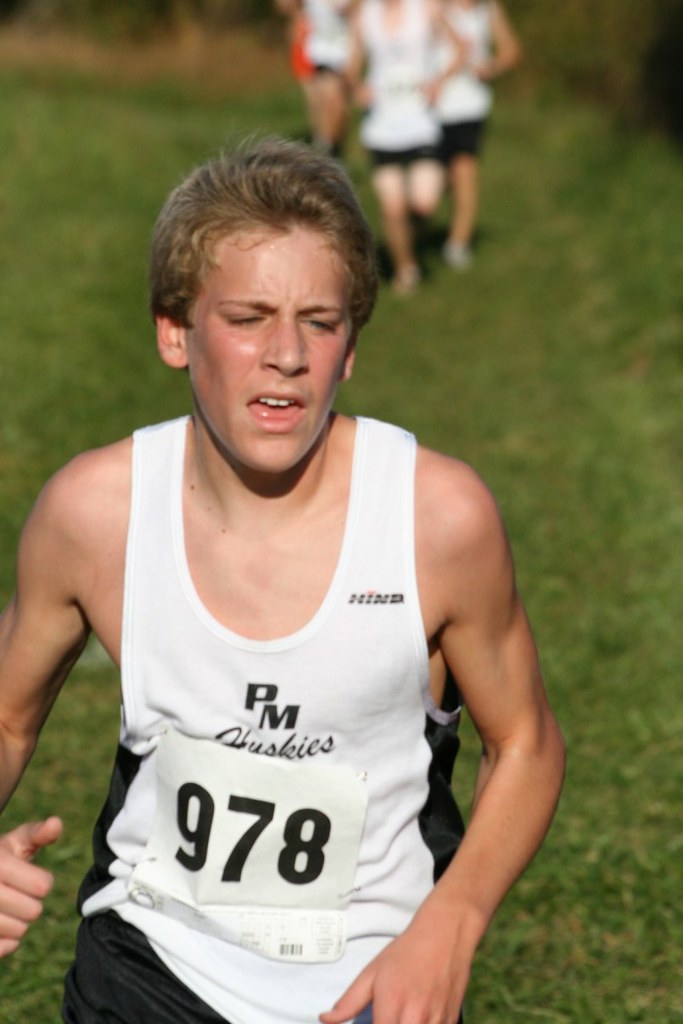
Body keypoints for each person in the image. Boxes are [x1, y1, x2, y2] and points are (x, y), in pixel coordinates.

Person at [0, 136, 564, 1024]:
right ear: (174, 332)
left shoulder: (437, 519)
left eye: (319, 320)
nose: (286, 354)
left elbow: (525, 744)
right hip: (149, 963)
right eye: (248, 316)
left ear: (350, 349)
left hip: (374, 981)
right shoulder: (94, 513)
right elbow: (7, 715)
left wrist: (451, 923)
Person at [346, 0, 464, 294]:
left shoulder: (427, 8)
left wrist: (440, 81)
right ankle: (406, 269)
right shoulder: (365, 15)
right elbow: (351, 66)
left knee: (424, 202)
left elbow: (461, 47)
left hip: (420, 122)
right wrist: (358, 89)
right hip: (382, 127)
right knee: (393, 206)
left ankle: (411, 233)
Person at [434, 0, 522, 269]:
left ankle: (458, 244)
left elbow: (511, 51)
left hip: (470, 106)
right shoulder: (432, 7)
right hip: (432, 107)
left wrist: (491, 67)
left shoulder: (488, 9)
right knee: (436, 179)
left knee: (465, 171)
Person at [275, 0, 357, 158]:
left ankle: (331, 149)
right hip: (316, 49)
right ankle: (324, 148)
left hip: (345, 48)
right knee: (318, 102)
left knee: (338, 106)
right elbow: (285, 7)